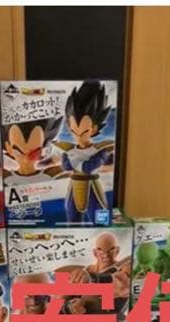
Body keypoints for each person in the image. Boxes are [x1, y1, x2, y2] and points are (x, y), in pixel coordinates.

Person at [57, 81, 114, 223]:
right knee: (72, 220)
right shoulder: (69, 149)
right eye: (74, 131)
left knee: (99, 220)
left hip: (92, 188)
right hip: (74, 187)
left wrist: (75, 162)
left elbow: (89, 166)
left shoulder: (100, 150)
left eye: (84, 132)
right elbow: (66, 166)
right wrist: (76, 162)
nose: (78, 136)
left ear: (94, 129)